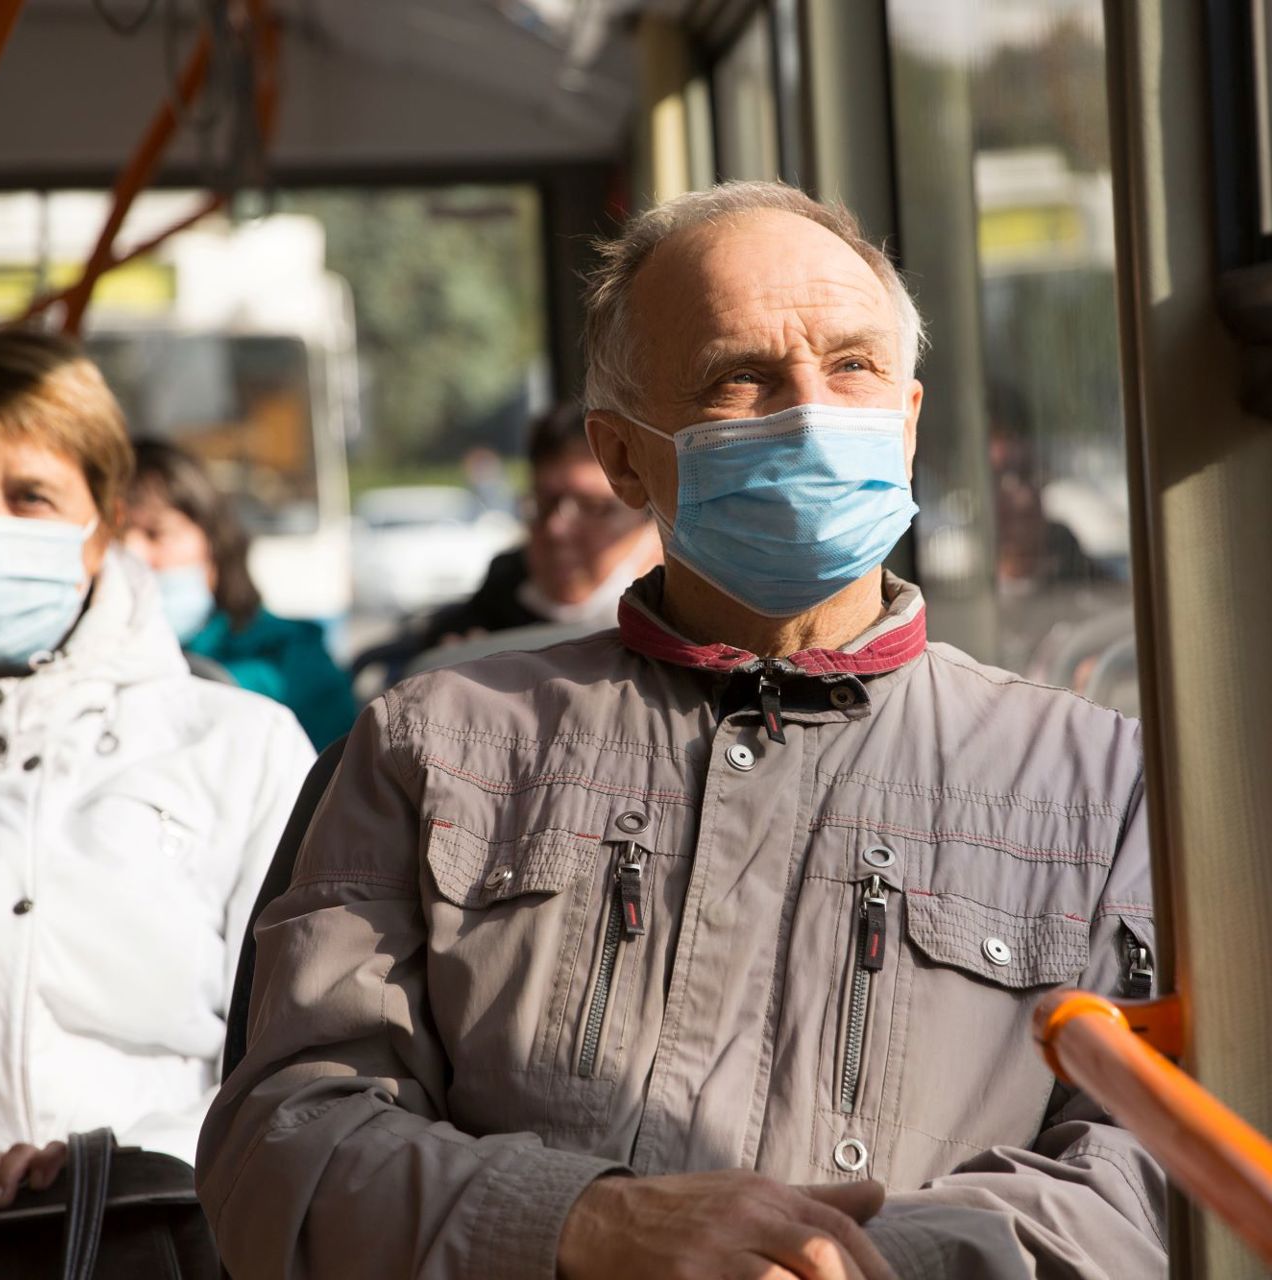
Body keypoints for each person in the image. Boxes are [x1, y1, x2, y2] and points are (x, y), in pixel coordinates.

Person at [199, 182, 1163, 1278]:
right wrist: (578, 1223)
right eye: (737, 377)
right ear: (622, 457)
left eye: (851, 367)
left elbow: (1147, 1169)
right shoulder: (436, 747)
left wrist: (845, 1258)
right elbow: (282, 1144)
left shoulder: (1097, 780)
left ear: (905, 416)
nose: (809, 411)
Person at [0, 330, 314, 1206]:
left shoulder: (240, 748)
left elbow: (308, 1057)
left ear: (103, 523)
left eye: (30, 496)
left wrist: (118, 1166)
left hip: (165, 1227)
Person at [356, 401, 661, 683]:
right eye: (544, 504)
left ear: (650, 518)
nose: (556, 528)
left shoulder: (683, 619)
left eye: (593, 507)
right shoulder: (491, 607)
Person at [124, 438, 358, 751]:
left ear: (214, 544)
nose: (131, 554)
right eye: (112, 537)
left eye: (157, 534)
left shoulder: (287, 660)